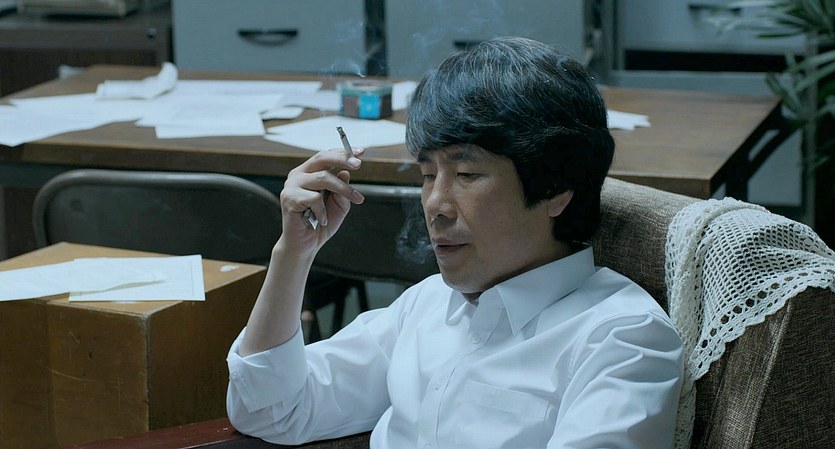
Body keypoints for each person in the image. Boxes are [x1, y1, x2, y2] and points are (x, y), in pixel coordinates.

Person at [226, 37, 684, 448]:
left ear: (556, 190)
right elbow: (271, 411)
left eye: (466, 174)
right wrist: (294, 253)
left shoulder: (622, 338)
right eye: (428, 175)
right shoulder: (427, 305)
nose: (435, 205)